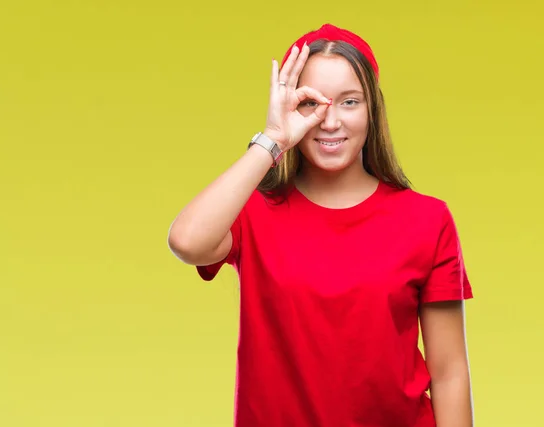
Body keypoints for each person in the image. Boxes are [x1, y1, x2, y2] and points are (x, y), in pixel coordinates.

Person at [167, 23, 474, 427]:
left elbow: (450, 374)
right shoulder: (252, 211)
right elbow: (187, 242)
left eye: (350, 102)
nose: (330, 123)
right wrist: (273, 138)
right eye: (312, 103)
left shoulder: (427, 219)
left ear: (373, 109)